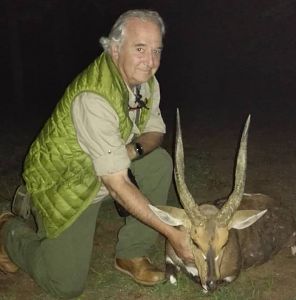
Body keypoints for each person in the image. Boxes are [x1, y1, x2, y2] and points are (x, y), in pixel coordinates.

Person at [0, 9, 193, 299]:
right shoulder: (93, 96)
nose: (151, 61)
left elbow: (155, 133)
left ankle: (131, 254)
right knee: (65, 284)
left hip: (106, 168)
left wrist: (131, 150)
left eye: (156, 50)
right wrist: (174, 234)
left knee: (158, 163)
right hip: (65, 182)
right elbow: (117, 184)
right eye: (140, 49)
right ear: (115, 49)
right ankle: (7, 230)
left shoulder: (147, 83)